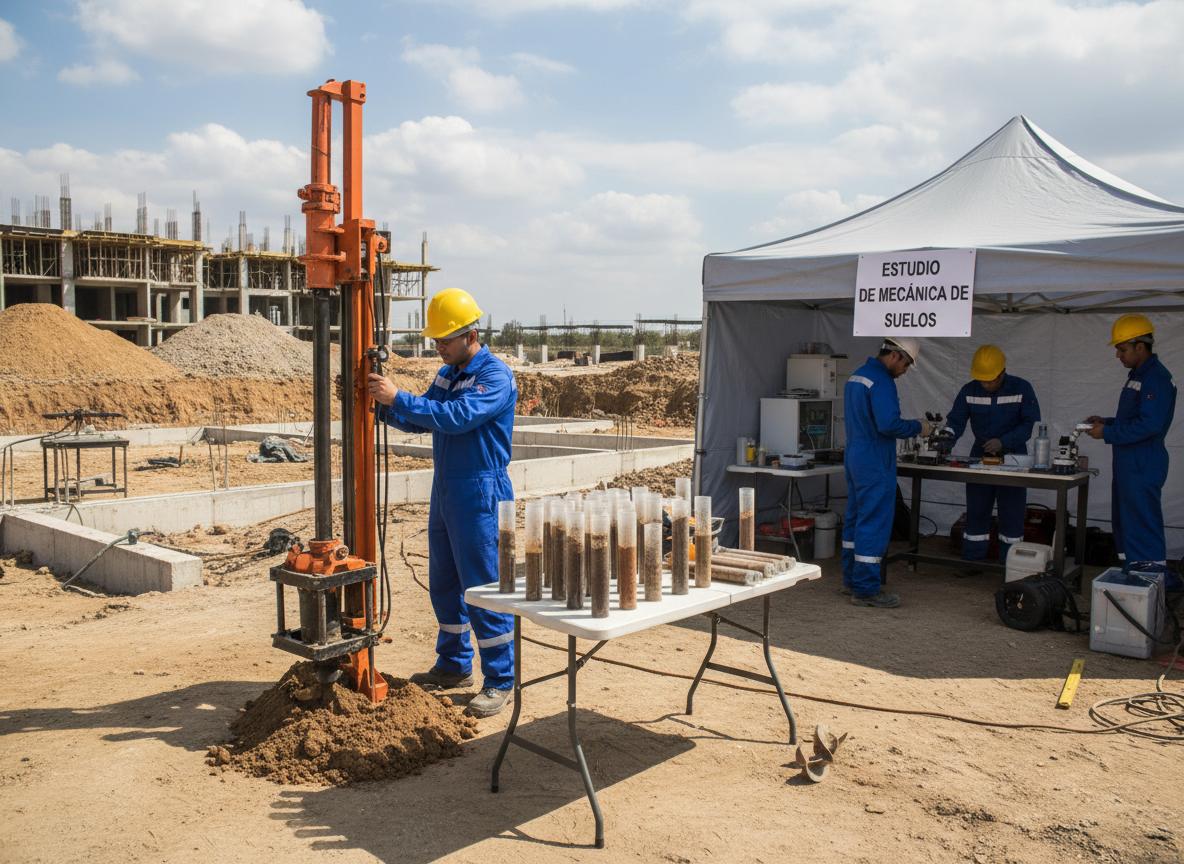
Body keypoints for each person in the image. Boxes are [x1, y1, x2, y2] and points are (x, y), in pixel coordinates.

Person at [367, 287, 518, 718]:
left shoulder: (494, 377)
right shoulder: (448, 373)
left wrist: (397, 396)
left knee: (484, 588)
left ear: (470, 335)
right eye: (435, 341)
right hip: (448, 490)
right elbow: (424, 416)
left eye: (444, 340)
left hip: (481, 491)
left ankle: (500, 679)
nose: (438, 347)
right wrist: (381, 407)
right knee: (446, 582)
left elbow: (456, 418)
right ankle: (453, 665)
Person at [1085, 314, 1176, 579]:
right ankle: (1133, 573)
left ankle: (1152, 579)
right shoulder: (1138, 375)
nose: (1118, 355)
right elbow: (1134, 419)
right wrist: (1106, 422)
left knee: (1141, 522)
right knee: (1127, 523)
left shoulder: (1156, 378)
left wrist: (1108, 432)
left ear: (1140, 346)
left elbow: (1150, 425)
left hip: (1143, 462)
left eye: (1122, 349)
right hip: (1129, 462)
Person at [841, 336, 930, 608]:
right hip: (875, 461)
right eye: (906, 365)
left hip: (856, 456)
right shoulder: (881, 381)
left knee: (855, 519)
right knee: (874, 522)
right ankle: (867, 589)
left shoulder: (857, 375)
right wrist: (919, 427)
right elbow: (888, 424)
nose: (905, 371)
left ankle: (852, 580)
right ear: (896, 356)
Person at [941, 345, 1041, 564]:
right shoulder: (970, 390)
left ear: (1002, 372)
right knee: (977, 509)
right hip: (980, 454)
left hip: (1014, 457)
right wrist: (945, 442)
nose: (985, 384)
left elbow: (1027, 425)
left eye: (990, 380)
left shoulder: (1022, 388)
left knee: (1012, 513)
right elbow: (956, 421)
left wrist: (1004, 442)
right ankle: (972, 562)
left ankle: (1010, 565)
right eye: (981, 380)